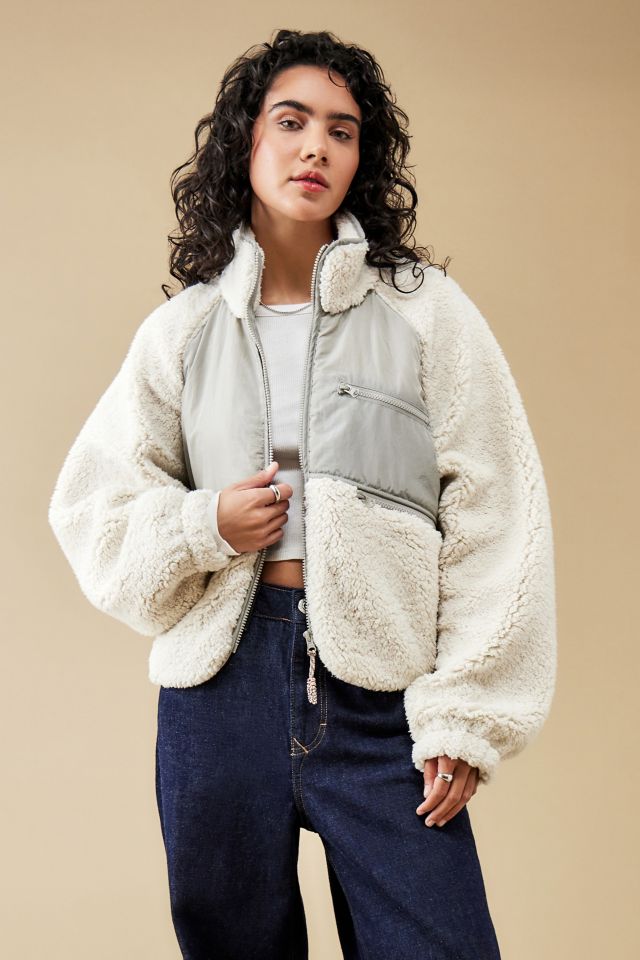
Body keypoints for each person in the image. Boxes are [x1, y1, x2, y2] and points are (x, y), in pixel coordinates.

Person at [48, 27, 557, 960]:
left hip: (381, 698)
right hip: (220, 694)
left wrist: (464, 711)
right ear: (246, 140)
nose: (316, 147)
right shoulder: (184, 330)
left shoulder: (425, 311)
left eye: (341, 130)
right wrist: (204, 525)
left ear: (362, 160)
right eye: (291, 122)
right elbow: (92, 507)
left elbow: (499, 513)